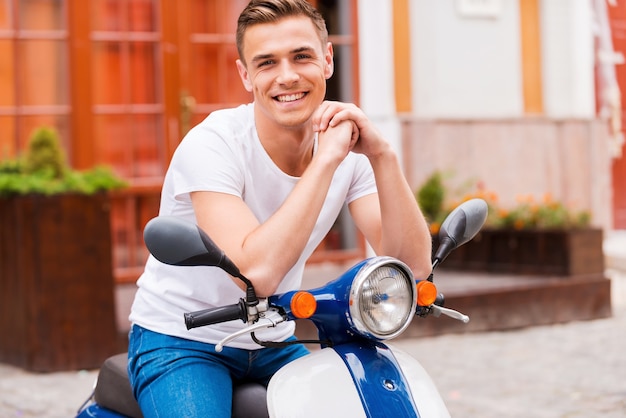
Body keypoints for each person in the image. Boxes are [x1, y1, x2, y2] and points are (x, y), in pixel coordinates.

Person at [127, 0, 433, 416]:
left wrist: (382, 155)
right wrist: (325, 162)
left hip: (269, 337)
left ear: (327, 60)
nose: (287, 76)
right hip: (182, 340)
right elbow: (258, 274)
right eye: (266, 62)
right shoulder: (213, 144)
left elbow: (412, 267)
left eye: (301, 56)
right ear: (246, 75)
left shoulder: (352, 152)